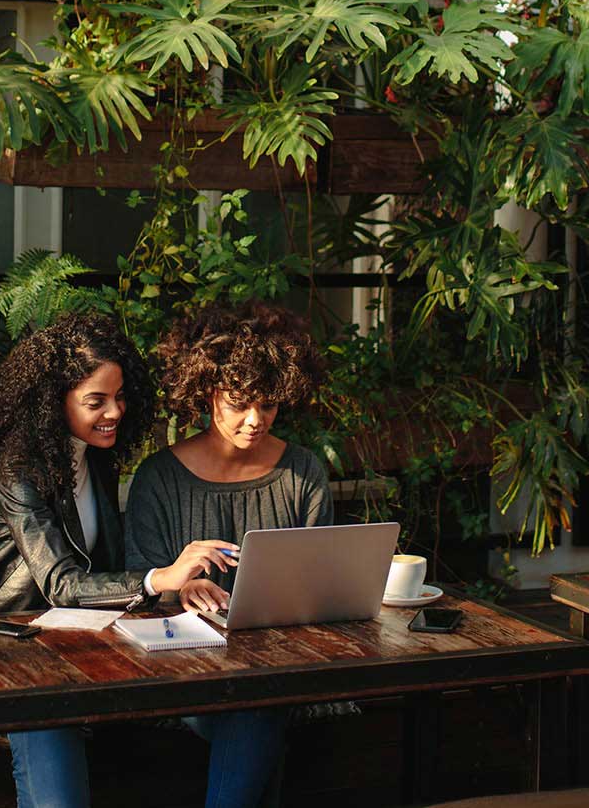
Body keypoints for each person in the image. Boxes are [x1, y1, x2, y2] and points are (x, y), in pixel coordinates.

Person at [0, 312, 235, 808]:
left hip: (67, 642)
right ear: (54, 403)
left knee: (231, 700)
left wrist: (179, 588)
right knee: (50, 717)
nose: (114, 411)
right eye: (96, 401)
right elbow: (62, 584)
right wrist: (161, 577)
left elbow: (105, 571)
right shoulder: (17, 469)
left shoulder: (96, 458)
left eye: (119, 396)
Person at [124, 300, 333, 806]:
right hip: (188, 671)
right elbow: (136, 586)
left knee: (259, 697)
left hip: (284, 664)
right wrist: (178, 587)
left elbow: (323, 583)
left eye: (269, 403)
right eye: (240, 403)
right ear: (207, 394)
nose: (255, 420)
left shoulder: (303, 473)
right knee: (253, 705)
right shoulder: (159, 479)